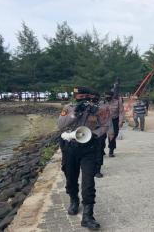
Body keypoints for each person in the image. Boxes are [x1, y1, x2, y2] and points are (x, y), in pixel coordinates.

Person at [57, 86, 113, 230]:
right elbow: (60, 125)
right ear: (75, 97)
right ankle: (74, 199)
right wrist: (75, 114)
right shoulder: (68, 108)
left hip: (88, 148)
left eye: (85, 97)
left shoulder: (98, 109)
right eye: (79, 97)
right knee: (70, 177)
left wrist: (94, 134)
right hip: (69, 147)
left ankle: (88, 215)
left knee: (88, 181)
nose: (82, 100)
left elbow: (105, 125)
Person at [105, 91, 124, 157]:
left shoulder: (118, 101)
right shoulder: (103, 102)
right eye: (106, 97)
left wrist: (120, 121)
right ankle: (101, 149)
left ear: (112, 96)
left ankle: (111, 149)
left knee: (114, 134)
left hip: (115, 120)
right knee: (102, 136)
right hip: (105, 120)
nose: (107, 98)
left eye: (109, 97)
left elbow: (121, 112)